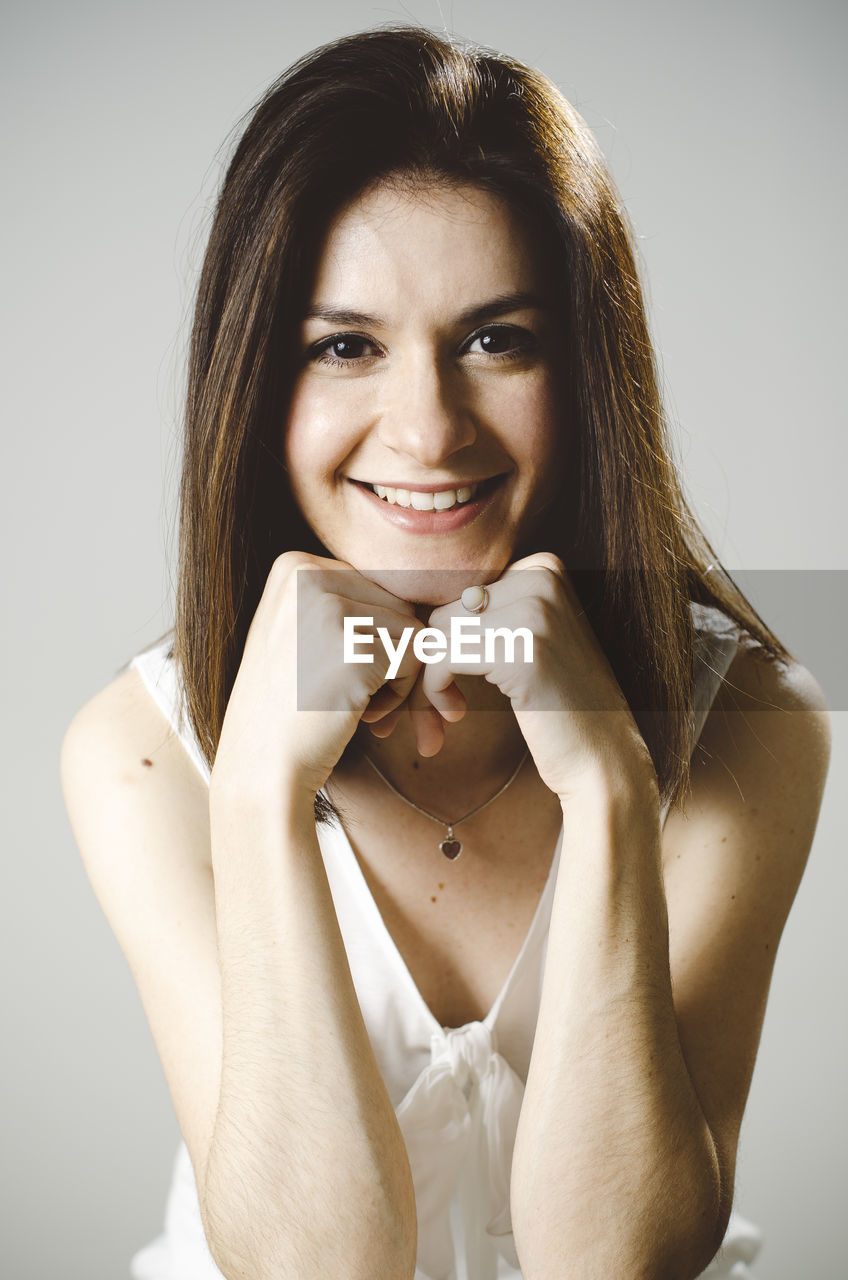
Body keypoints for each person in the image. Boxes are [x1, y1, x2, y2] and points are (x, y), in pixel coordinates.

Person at [60, 25, 831, 1280]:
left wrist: (609, 788)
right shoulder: (136, 750)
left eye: (496, 339)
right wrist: (253, 792)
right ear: (255, 384)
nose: (424, 427)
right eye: (343, 344)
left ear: (583, 372)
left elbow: (618, 1260)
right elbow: (318, 1268)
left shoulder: (757, 716)